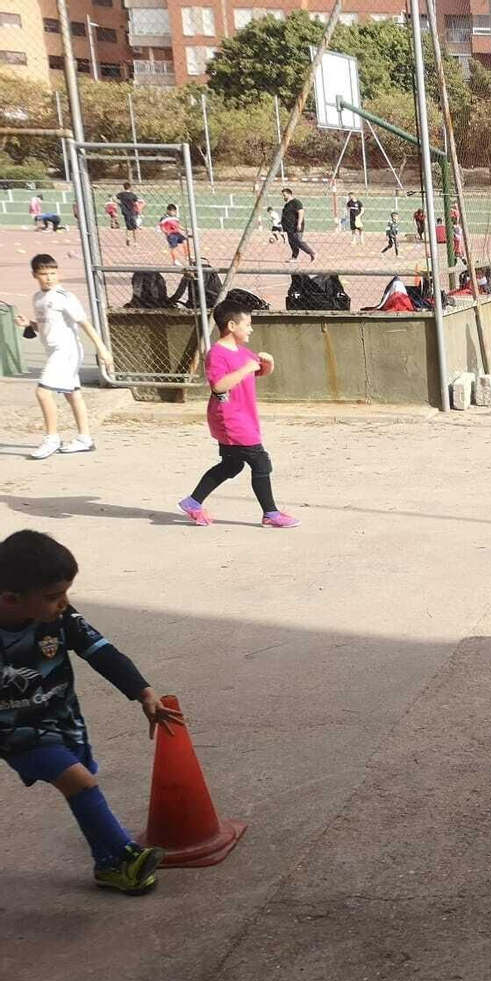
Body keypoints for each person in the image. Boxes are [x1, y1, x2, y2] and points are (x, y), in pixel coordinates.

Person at [0, 529, 183, 894]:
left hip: (65, 720)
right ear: (10, 598)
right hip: (16, 731)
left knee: (83, 782)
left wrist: (142, 691)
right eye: (53, 597)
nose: (64, 603)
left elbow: (101, 651)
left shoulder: (60, 617)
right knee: (79, 780)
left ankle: (110, 867)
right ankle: (127, 854)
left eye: (66, 592)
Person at [178, 300, 299, 529]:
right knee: (260, 462)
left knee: (232, 465)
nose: (251, 329)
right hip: (230, 419)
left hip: (244, 416)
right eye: (248, 324)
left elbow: (259, 370)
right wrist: (245, 369)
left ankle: (192, 502)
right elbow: (219, 386)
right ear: (232, 325)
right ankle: (270, 514)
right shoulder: (217, 353)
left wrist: (268, 363)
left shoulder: (243, 352)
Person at [15, 254, 113, 460]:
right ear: (35, 275)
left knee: (43, 393)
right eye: (44, 274)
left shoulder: (63, 297)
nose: (49, 277)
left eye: (53, 273)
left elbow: (84, 323)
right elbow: (45, 326)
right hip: (53, 350)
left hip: (66, 351)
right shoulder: (38, 298)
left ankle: (52, 438)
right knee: (73, 394)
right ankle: (85, 439)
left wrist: (102, 349)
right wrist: (30, 324)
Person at [280, 187, 314, 262]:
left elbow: (301, 212)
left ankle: (312, 253)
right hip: (289, 227)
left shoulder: (296, 202)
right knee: (291, 242)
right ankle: (294, 257)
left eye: (284, 195)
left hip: (296, 226)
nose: (283, 197)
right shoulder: (286, 205)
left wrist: (299, 223)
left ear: (289, 194)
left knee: (298, 241)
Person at [113, 181, 141, 246]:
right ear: (130, 187)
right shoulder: (133, 195)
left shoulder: (121, 194)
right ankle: (135, 242)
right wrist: (138, 210)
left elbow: (114, 198)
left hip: (125, 212)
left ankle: (128, 237)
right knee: (134, 228)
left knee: (128, 226)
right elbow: (136, 203)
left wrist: (119, 203)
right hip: (132, 212)